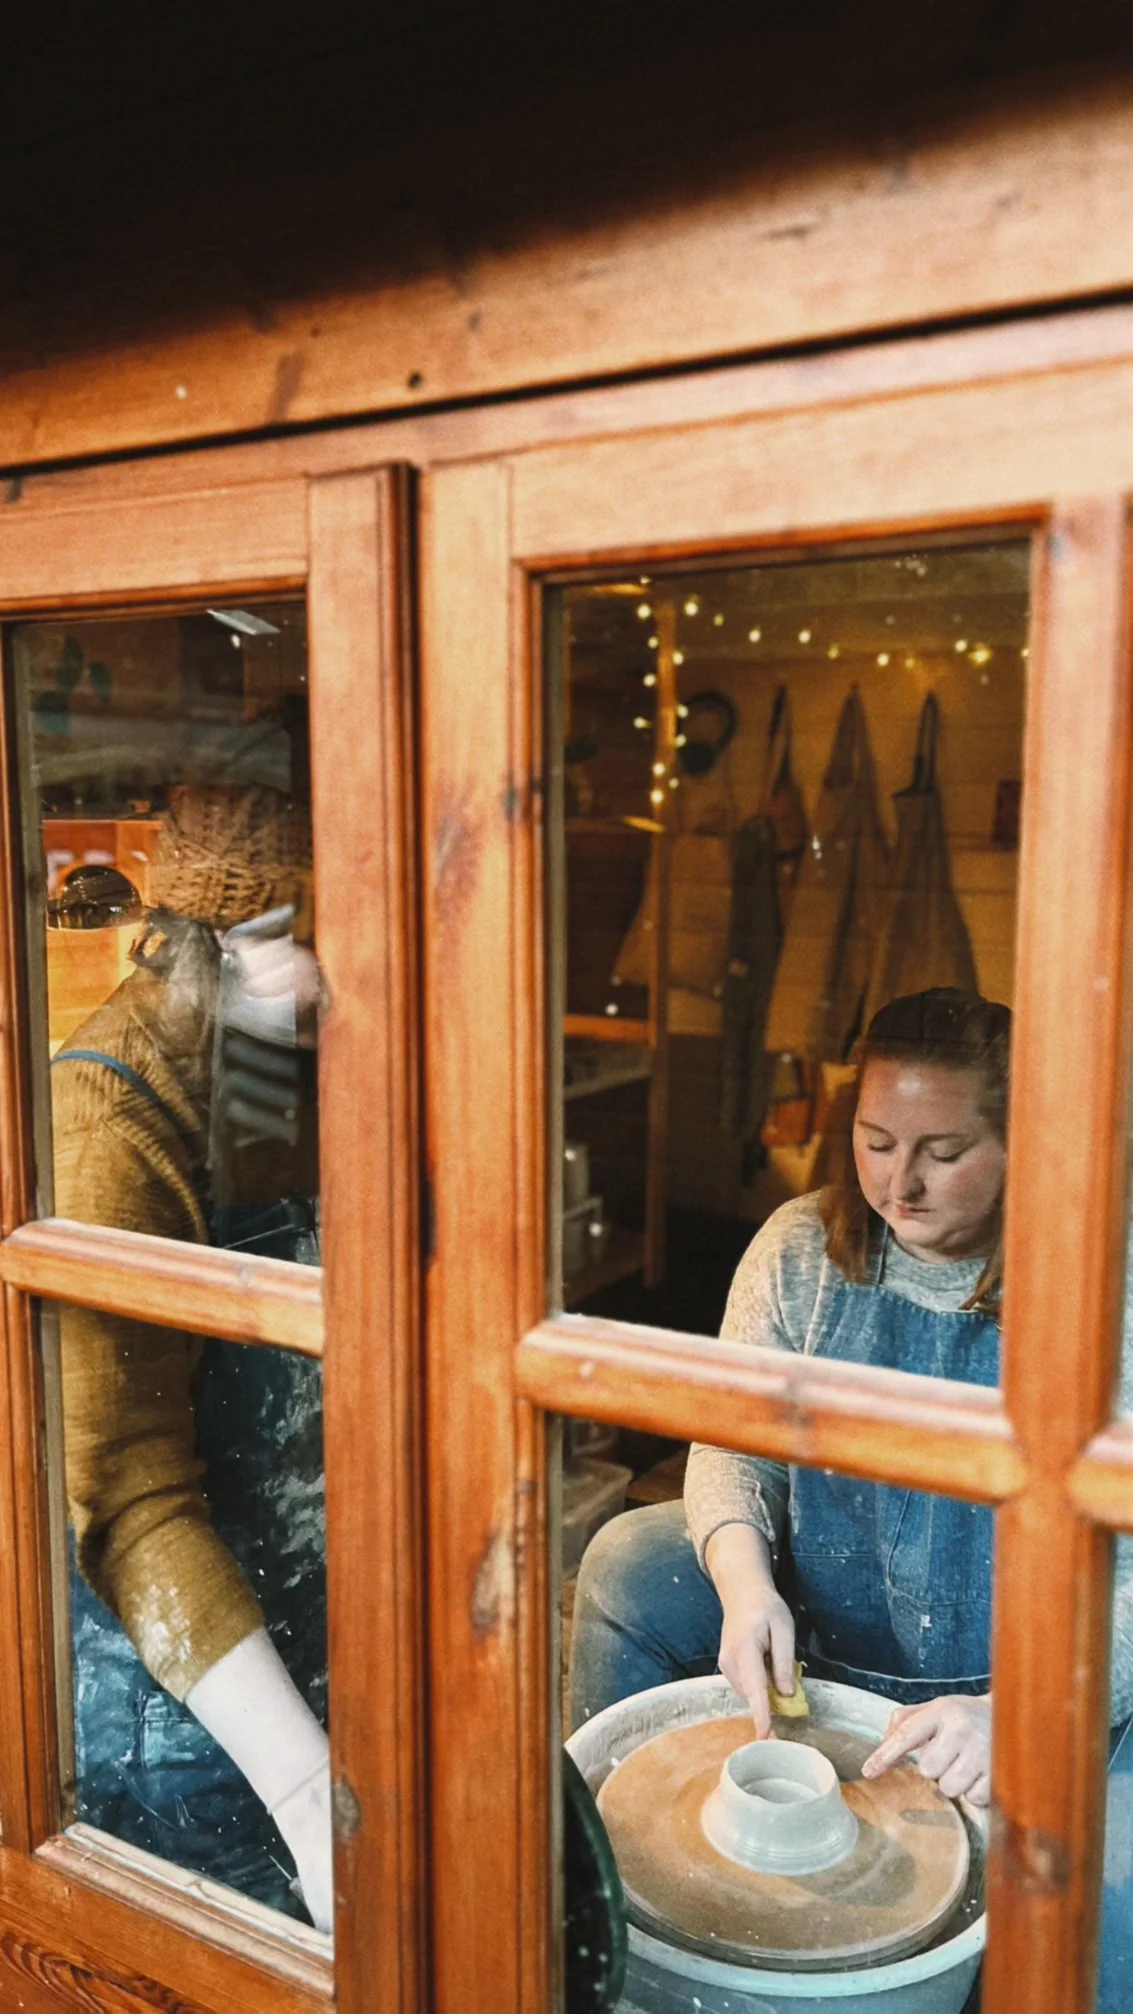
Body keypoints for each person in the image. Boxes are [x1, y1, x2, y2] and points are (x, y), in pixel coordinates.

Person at [569, 987, 1133, 2007]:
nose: (900, 1183)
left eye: (943, 1150)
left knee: (1114, 1898)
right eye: (875, 1142)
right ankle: (614, 1908)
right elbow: (727, 1448)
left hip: (1043, 1674)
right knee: (628, 1562)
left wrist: (1030, 1712)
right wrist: (744, 1590)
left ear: (1023, 1142)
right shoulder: (799, 1250)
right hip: (830, 1631)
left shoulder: (1103, 1283)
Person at [51, 783, 332, 1929]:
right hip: (183, 1704)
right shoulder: (104, 1129)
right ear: (228, 940)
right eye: (321, 942)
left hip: (307, 1618)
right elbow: (127, 1493)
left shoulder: (270, 1057)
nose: (350, 978)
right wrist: (305, 1790)